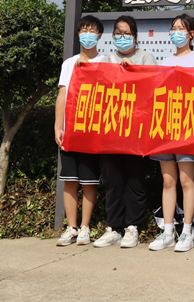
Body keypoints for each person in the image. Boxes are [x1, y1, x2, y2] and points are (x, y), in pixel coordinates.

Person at [94, 15, 157, 248]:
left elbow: (154, 85)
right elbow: (97, 88)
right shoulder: (107, 60)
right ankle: (113, 228)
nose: (122, 37)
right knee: (113, 181)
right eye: (118, 33)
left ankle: (133, 227)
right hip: (112, 131)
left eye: (127, 33)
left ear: (135, 36)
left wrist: (135, 70)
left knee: (135, 180)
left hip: (137, 131)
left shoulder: (146, 57)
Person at [148, 14, 194, 253]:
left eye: (182, 28)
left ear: (191, 34)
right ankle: (168, 231)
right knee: (168, 181)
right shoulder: (165, 61)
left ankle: (187, 231)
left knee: (186, 180)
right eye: (174, 28)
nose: (177, 32)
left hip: (188, 128)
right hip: (166, 126)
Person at [54, 16, 105, 246]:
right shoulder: (69, 63)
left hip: (92, 132)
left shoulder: (105, 62)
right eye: (83, 30)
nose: (87, 34)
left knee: (89, 181)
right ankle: (71, 228)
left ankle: (85, 227)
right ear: (78, 35)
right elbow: (62, 95)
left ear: (99, 36)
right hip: (70, 131)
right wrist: (58, 126)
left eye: (92, 30)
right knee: (70, 180)